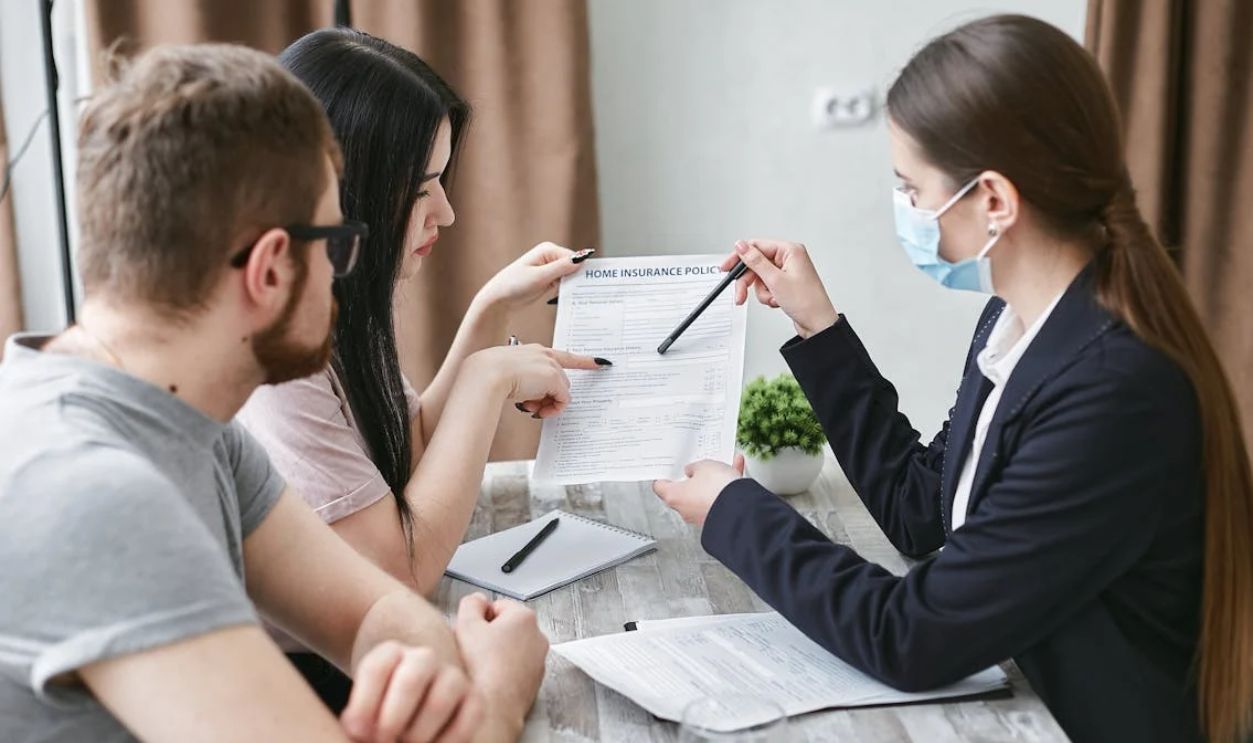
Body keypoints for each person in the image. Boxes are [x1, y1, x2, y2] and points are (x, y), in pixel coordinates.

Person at [653, 15, 1253, 743]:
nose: (903, 208)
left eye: (910, 187)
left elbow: (911, 635)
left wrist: (733, 509)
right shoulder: (1017, 322)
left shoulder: (1112, 390)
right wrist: (817, 325)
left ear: (994, 200)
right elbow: (920, 509)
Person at [0, 43, 552, 742]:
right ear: (268, 270)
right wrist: (497, 697)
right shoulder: (95, 494)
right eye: (340, 243)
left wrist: (429, 671)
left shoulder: (198, 428)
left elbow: (381, 610)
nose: (344, 275)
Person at [235, 28, 605, 709]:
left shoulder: (341, 306)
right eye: (422, 188)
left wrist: (489, 310)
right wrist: (487, 379)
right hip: (307, 679)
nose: (448, 213)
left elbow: (399, 460)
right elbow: (397, 569)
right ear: (350, 191)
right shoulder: (279, 361)